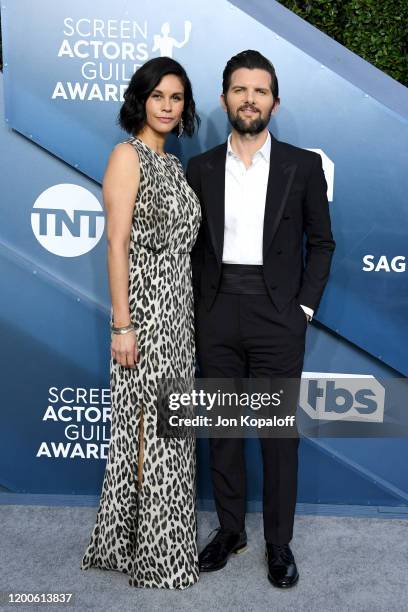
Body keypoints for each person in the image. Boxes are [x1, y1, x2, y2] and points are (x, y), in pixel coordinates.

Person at [186, 50, 335, 588]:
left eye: (260, 90)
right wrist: (201, 309)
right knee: (222, 429)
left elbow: (322, 243)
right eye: (240, 89)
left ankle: (278, 543)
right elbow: (193, 248)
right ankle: (231, 531)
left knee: (278, 436)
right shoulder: (199, 167)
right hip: (218, 311)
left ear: (275, 101)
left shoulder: (303, 165)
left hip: (278, 315)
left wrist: (302, 309)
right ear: (224, 97)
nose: (250, 98)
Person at [80, 57, 201, 590]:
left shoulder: (172, 165)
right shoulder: (125, 157)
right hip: (147, 314)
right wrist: (123, 325)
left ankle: (146, 542)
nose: (168, 107)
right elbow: (116, 242)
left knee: (169, 429)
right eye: (159, 97)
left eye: (176, 98)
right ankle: (154, 551)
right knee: (150, 432)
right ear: (140, 100)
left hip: (179, 311)